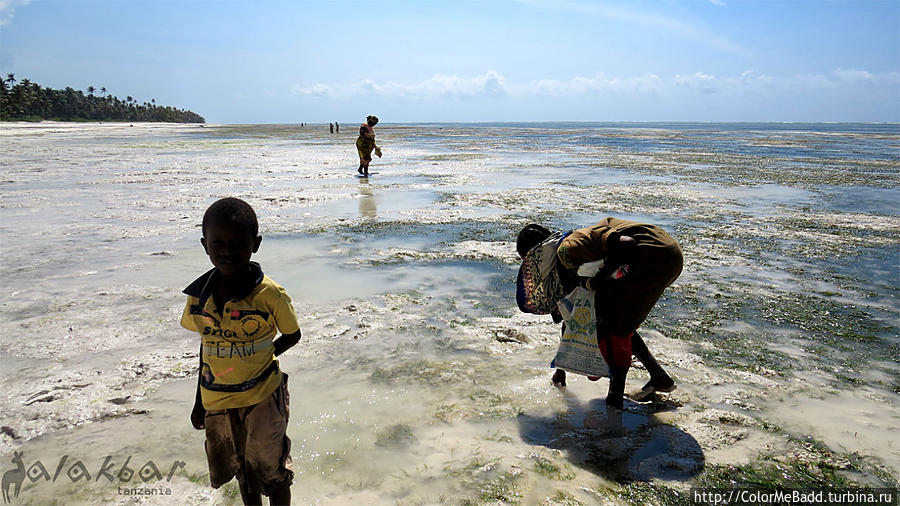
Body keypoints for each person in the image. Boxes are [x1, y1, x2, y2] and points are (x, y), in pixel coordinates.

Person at [181, 197, 301, 505]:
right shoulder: (197, 298)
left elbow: (293, 334)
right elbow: (207, 348)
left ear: (255, 244)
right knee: (242, 472)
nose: (227, 251)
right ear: (205, 246)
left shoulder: (269, 295)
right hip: (217, 401)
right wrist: (199, 402)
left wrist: (262, 358)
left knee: (272, 472)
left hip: (262, 399)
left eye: (237, 243)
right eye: (217, 243)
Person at [516, 218, 682, 409]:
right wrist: (561, 370)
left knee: (615, 328)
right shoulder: (566, 260)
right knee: (615, 319)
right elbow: (572, 315)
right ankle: (659, 377)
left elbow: (626, 244)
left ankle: (614, 402)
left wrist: (598, 280)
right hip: (660, 255)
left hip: (655, 257)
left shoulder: (568, 249)